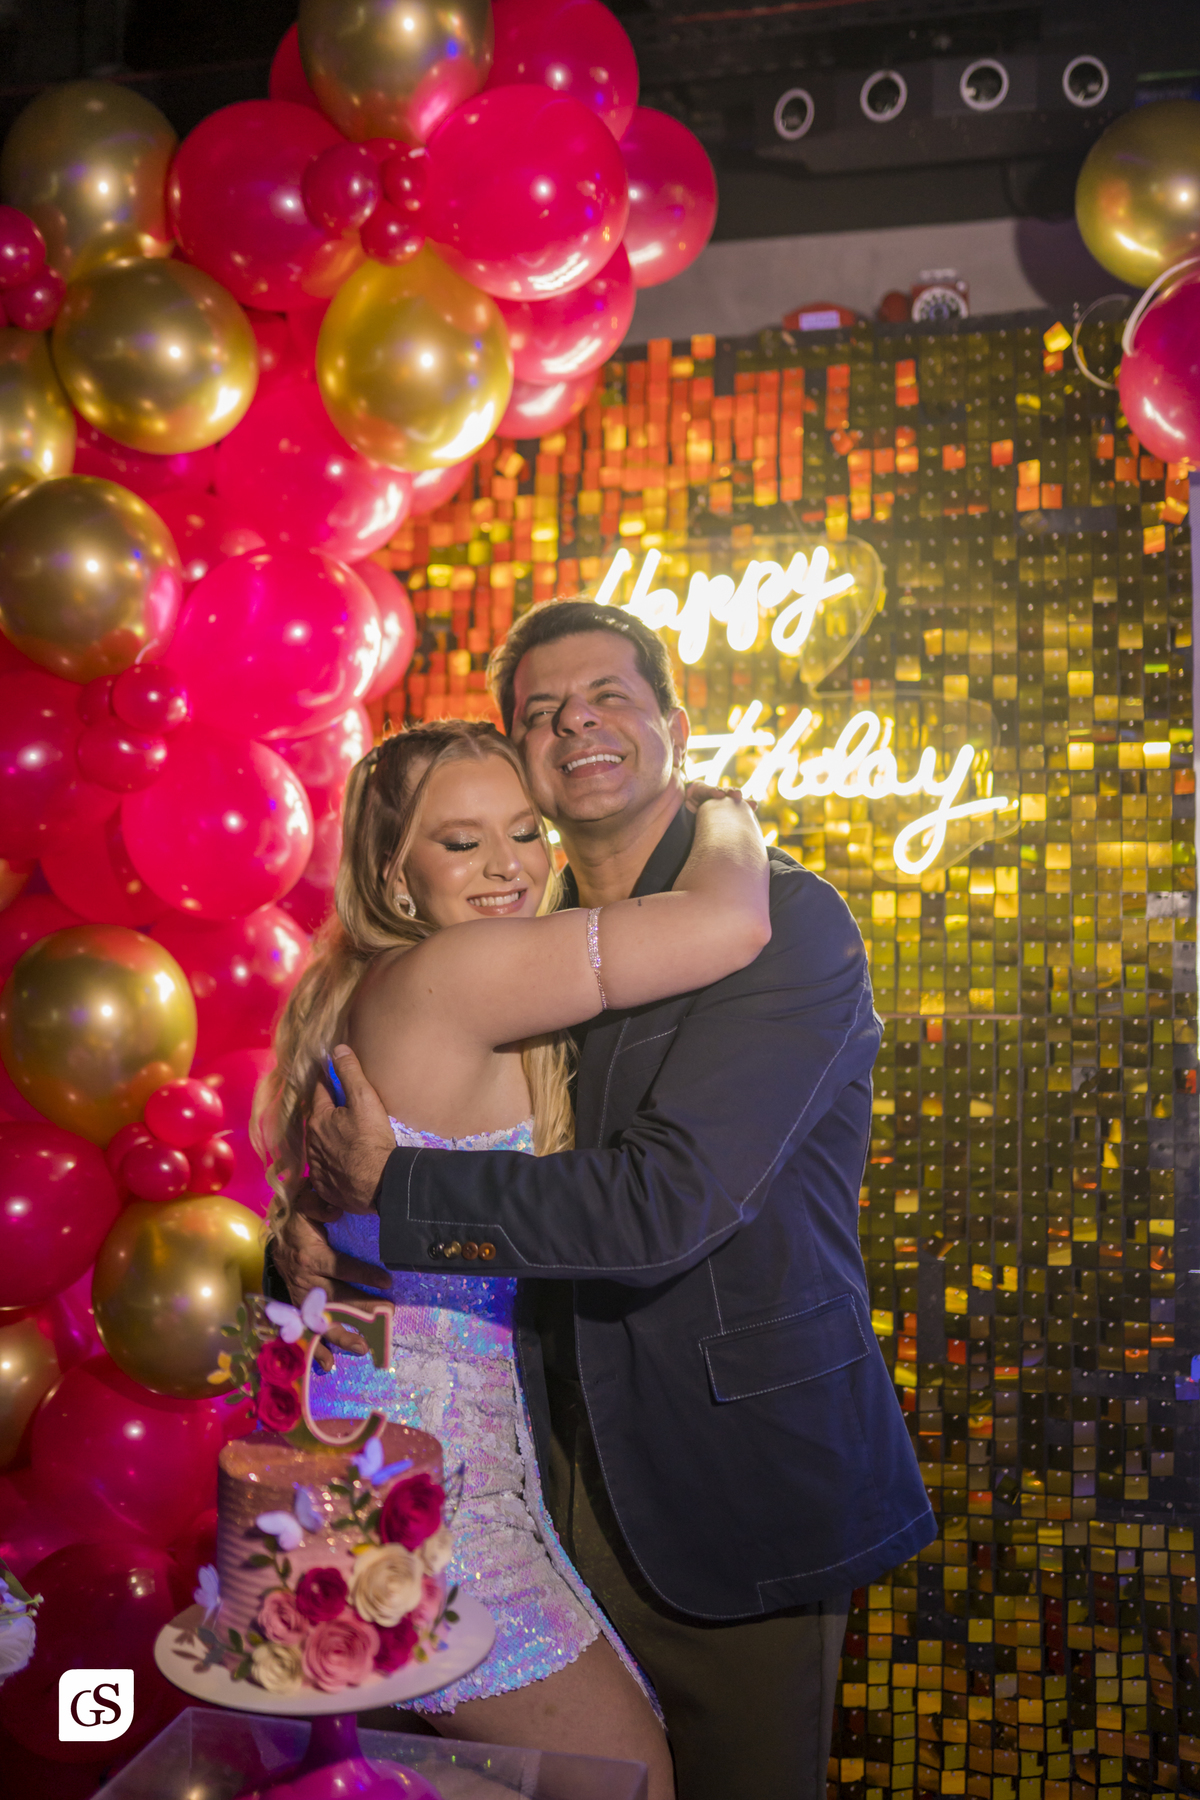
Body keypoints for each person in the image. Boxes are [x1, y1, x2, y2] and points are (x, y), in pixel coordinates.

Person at [272, 600, 935, 1800]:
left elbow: (668, 1203)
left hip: (724, 1480)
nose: (577, 721)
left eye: (609, 697)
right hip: (527, 1478)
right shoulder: (534, 941)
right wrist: (322, 1233)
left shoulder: (783, 924)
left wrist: (389, 1192)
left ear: (674, 727)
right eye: (541, 711)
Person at [256, 713, 771, 1799]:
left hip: (370, 1475)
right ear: (394, 872)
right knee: (626, 1778)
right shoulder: (460, 971)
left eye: (526, 830)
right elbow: (728, 923)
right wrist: (724, 805)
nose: (508, 866)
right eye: (460, 842)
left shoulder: (372, 982)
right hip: (425, 1516)